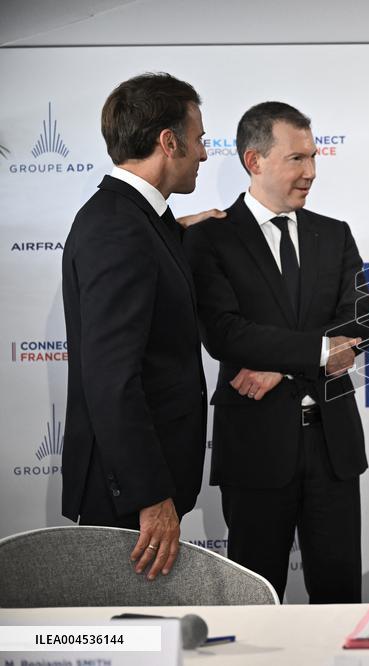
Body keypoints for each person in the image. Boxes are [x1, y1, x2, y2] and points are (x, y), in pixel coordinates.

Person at [183, 102, 369, 603]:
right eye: (296, 159)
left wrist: (283, 372)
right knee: (256, 598)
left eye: (313, 157)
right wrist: (314, 354)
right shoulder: (211, 238)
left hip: (334, 447)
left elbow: (360, 326)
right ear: (255, 160)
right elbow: (224, 334)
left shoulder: (334, 234)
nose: (310, 172)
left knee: (339, 597)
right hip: (255, 446)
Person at [62, 72, 223, 580]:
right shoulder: (119, 227)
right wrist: (151, 497)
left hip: (140, 488)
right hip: (129, 499)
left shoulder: (136, 218)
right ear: (167, 141)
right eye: (198, 140)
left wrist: (174, 232)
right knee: (128, 645)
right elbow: (112, 380)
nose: (203, 153)